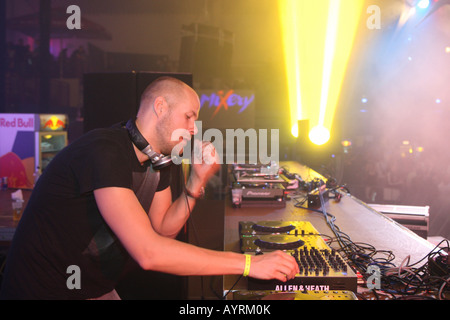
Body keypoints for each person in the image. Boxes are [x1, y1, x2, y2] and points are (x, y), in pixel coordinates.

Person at [0, 76, 298, 300]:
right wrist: (249, 264)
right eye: (189, 116)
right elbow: (149, 252)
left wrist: (196, 183)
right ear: (160, 107)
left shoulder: (158, 161)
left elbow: (163, 229)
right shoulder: (106, 150)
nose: (194, 128)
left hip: (90, 287)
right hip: (41, 290)